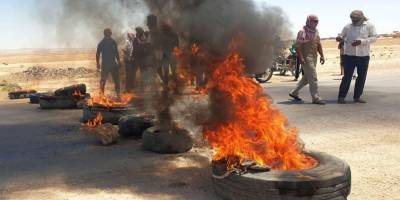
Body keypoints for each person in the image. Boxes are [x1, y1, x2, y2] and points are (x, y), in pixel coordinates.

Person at [337, 10, 377, 104]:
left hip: (363, 56)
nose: (353, 21)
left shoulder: (369, 26)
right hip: (349, 56)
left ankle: (357, 97)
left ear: (361, 18)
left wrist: (361, 42)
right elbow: (341, 35)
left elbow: (374, 38)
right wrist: (339, 38)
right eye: (352, 19)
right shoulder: (348, 26)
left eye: (355, 19)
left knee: (361, 77)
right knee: (347, 77)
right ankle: (341, 97)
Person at [289, 15, 325, 105]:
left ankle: (294, 92)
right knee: (313, 77)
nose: (316, 23)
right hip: (306, 57)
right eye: (314, 21)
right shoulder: (302, 32)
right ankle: (315, 97)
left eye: (317, 21)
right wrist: (301, 58)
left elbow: (318, 44)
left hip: (314, 56)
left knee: (307, 78)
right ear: (308, 21)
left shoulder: (316, 31)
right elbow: (297, 46)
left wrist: (322, 55)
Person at [96, 28, 121, 96]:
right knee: (103, 80)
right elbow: (98, 54)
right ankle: (101, 94)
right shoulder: (101, 43)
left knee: (116, 80)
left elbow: (116, 53)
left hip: (113, 64)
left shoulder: (113, 42)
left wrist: (118, 61)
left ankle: (118, 94)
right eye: (107, 33)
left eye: (109, 33)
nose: (109, 35)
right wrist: (97, 63)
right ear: (105, 34)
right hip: (105, 64)